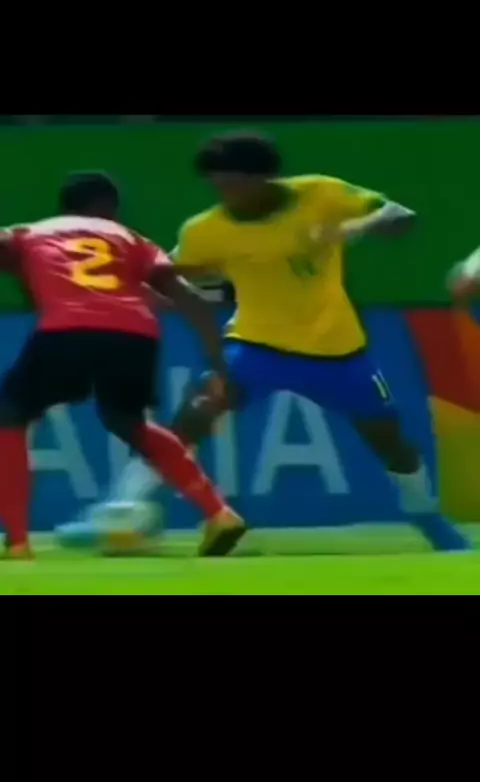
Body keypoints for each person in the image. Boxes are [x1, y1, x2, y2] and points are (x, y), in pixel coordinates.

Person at [59, 133, 470, 553]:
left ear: (265, 178)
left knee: (391, 442)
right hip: (256, 347)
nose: (227, 195)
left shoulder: (320, 193)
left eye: (235, 184)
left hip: (338, 353)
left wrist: (350, 228)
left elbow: (401, 216)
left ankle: (425, 515)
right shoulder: (206, 230)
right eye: (218, 186)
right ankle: (124, 508)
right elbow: (171, 278)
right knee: (197, 411)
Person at [0, 171, 245, 559]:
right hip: (135, 334)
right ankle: (219, 513)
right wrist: (219, 365)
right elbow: (191, 300)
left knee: (10, 415)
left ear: (64, 207)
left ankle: (17, 542)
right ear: (112, 209)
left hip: (65, 330)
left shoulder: (32, 232)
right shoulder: (132, 240)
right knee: (130, 422)